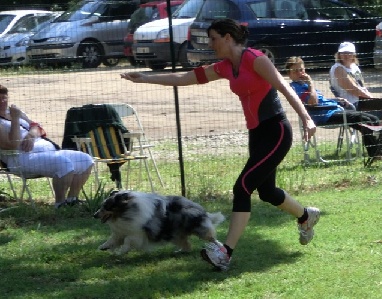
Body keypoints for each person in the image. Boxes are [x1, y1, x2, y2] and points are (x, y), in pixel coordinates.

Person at [121, 18, 320, 271]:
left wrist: (306, 118)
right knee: (267, 192)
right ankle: (306, 216)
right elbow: (186, 77)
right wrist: (145, 78)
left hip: (276, 131)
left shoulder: (256, 59)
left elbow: (285, 88)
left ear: (228, 38)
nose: (210, 44)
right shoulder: (226, 67)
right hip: (257, 133)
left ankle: (225, 252)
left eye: (213, 38)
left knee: (242, 187)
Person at [0, 85, 94, 208]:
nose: (2, 101)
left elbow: (37, 127)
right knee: (63, 164)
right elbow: (12, 144)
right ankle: (60, 204)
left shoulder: (13, 112)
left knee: (86, 160)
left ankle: (72, 200)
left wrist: (30, 135)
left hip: (48, 151)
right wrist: (15, 119)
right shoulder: (13, 116)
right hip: (21, 158)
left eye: (4, 97)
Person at [286, 56, 382, 159]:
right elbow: (313, 102)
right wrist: (311, 84)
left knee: (371, 120)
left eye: (301, 69)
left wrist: (336, 100)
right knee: (366, 120)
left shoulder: (304, 84)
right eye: (295, 71)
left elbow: (322, 101)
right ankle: (377, 154)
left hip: (333, 110)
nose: (299, 73)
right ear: (289, 74)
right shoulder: (296, 87)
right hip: (323, 116)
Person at [329, 41, 372, 108]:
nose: (346, 55)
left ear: (353, 54)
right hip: (350, 104)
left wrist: (368, 95)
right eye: (343, 53)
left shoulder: (354, 67)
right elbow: (352, 89)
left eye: (349, 53)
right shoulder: (338, 68)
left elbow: (361, 85)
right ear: (339, 54)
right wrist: (370, 98)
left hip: (361, 100)